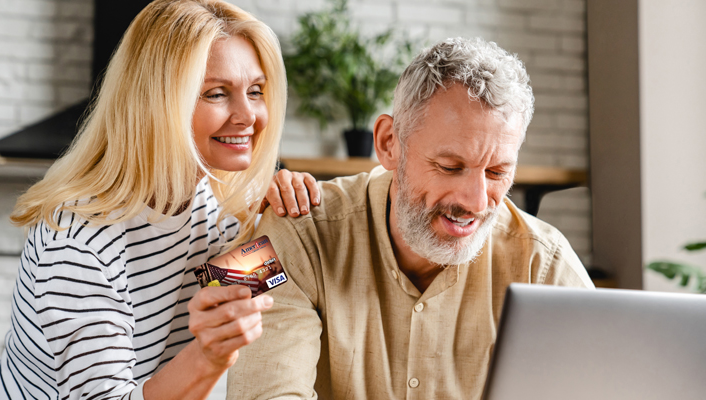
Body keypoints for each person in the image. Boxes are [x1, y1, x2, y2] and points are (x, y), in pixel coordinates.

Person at [0, 1, 320, 399]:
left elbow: (258, 303)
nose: (248, 115)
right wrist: (208, 357)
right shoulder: (79, 242)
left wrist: (283, 217)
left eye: (256, 91)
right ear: (158, 102)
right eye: (216, 93)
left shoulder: (218, 211)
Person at [227, 37, 594, 399]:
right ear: (389, 143)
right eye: (450, 167)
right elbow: (265, 392)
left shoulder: (544, 263)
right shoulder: (293, 232)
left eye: (497, 173)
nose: (477, 202)